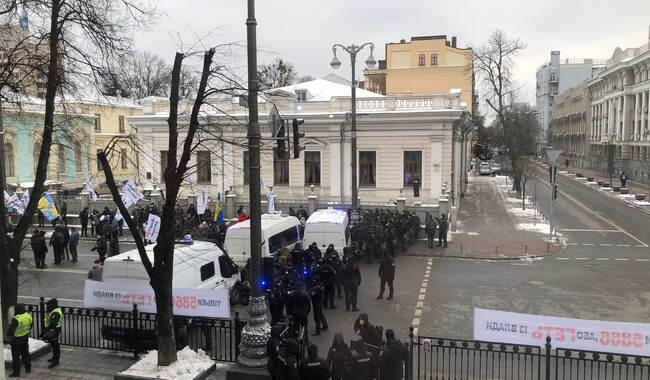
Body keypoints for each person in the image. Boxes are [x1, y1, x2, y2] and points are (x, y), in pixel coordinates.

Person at [7, 303, 33, 377]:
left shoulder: (16, 319)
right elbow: (30, 326)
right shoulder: (28, 315)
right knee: (26, 354)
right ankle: (28, 368)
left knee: (16, 357)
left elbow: (9, 332)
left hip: (17, 340)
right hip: (25, 338)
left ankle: (16, 372)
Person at [42, 297, 63, 368]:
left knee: (55, 345)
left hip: (54, 330)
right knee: (53, 345)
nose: (47, 307)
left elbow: (53, 324)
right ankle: (54, 357)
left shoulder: (55, 313)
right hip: (53, 329)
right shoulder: (54, 311)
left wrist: (47, 330)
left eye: (49, 306)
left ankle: (56, 361)